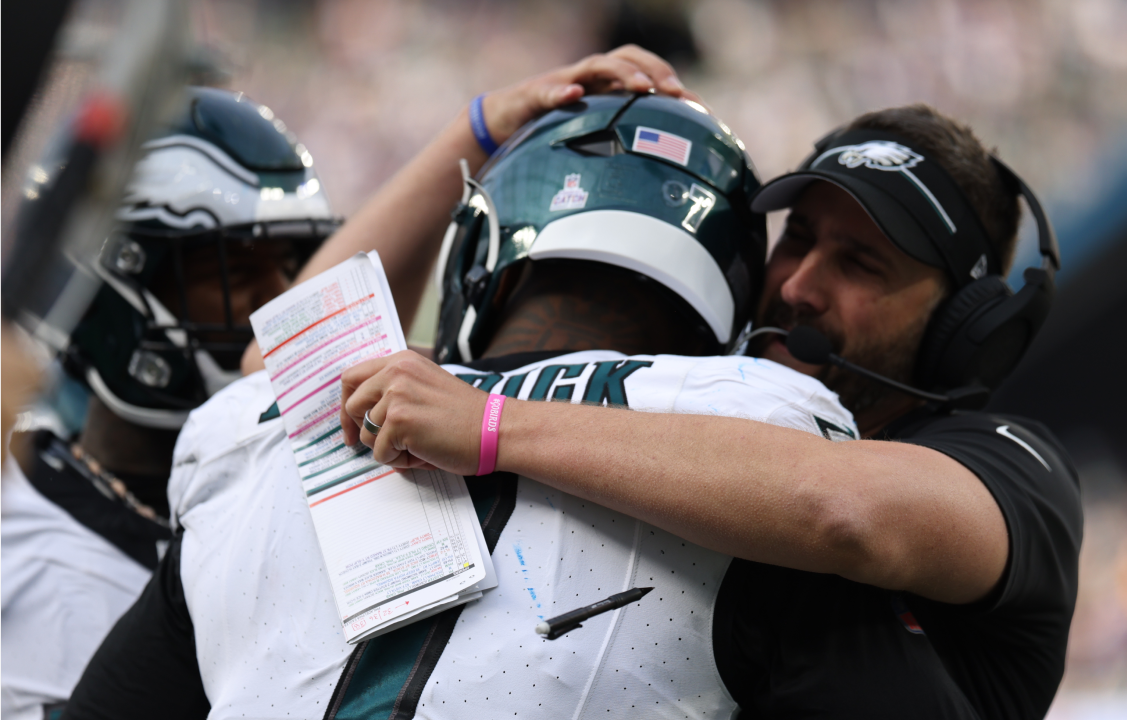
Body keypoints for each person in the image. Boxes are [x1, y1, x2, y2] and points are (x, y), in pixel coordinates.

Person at [65, 52, 857, 718]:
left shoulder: (268, 414)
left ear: (479, 249)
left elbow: (281, 346)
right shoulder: (760, 431)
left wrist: (475, 129)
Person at [340, 65, 1083, 718]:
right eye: (798, 238)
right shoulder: (676, 403)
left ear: (962, 324)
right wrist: (479, 130)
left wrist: (494, 423)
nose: (797, 285)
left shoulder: (1013, 470)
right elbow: (279, 369)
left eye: (860, 263)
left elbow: (843, 509)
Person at [0, 86, 336, 719]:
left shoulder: (253, 495)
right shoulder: (27, 551)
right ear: (116, 287)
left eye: (288, 265)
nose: (282, 297)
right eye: (240, 272)